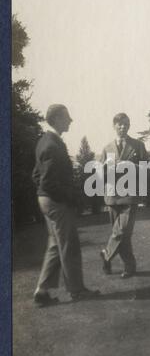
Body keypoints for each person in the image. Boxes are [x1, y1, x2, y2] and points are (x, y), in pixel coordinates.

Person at [32, 104, 99, 306]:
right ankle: (77, 291)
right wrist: (71, 198)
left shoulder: (46, 141)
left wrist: (47, 194)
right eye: (67, 117)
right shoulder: (52, 145)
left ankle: (41, 292)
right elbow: (47, 182)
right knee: (69, 245)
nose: (71, 120)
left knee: (55, 246)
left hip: (47, 200)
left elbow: (36, 176)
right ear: (57, 119)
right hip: (56, 202)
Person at [100, 113, 147, 278]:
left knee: (122, 231)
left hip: (130, 196)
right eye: (119, 125)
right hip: (112, 196)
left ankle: (107, 254)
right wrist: (105, 167)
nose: (123, 127)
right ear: (114, 126)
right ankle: (129, 267)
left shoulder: (138, 145)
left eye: (126, 124)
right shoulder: (106, 148)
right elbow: (100, 176)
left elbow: (146, 170)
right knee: (123, 235)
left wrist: (130, 165)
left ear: (129, 125)